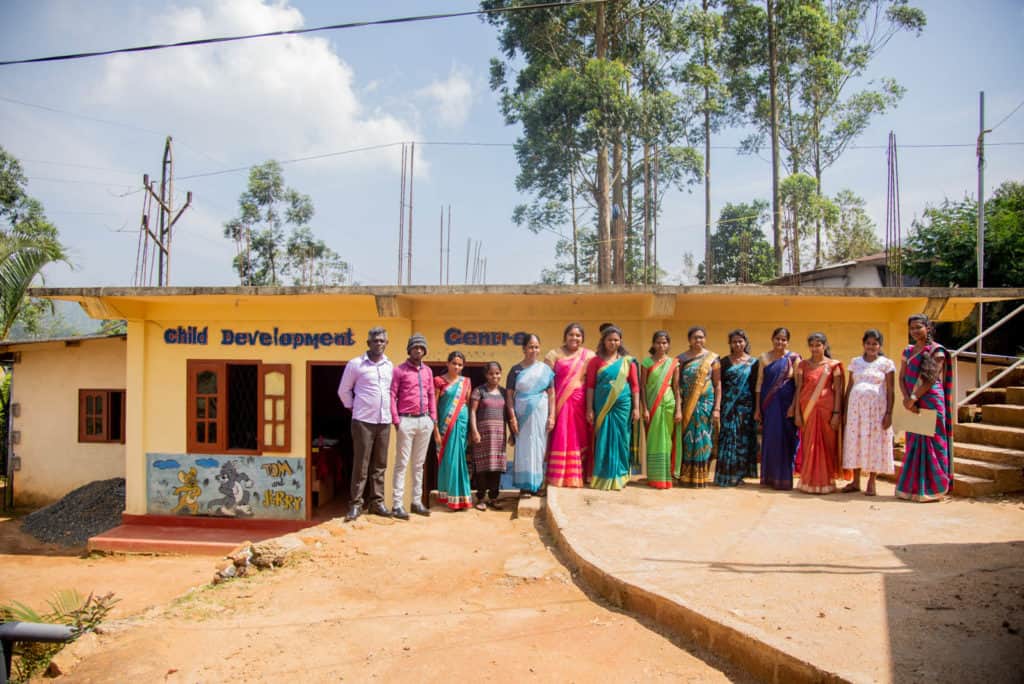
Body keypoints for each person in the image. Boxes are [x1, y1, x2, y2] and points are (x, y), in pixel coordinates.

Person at [337, 327, 394, 522]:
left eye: (382, 341)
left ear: (386, 343)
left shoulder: (389, 365)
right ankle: (355, 505)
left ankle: (377, 503)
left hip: (384, 421)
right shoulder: (356, 364)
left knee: (380, 464)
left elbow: (390, 392)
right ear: (368, 343)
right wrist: (354, 408)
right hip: (363, 421)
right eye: (375, 340)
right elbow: (344, 390)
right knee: (361, 464)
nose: (379, 343)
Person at [896, 314, 953, 502]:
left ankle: (934, 488)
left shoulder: (937, 351)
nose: (914, 331)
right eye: (911, 328)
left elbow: (930, 379)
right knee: (914, 443)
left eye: (918, 327)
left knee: (933, 443)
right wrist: (906, 398)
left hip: (930, 401)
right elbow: (901, 377)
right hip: (911, 401)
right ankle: (912, 489)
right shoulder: (908, 351)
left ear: (928, 328)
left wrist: (912, 398)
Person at [841, 329, 896, 496]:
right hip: (855, 412)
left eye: (875, 344)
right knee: (855, 442)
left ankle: (872, 481)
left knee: (874, 442)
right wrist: (844, 410)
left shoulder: (886, 364)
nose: (871, 346)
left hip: (876, 412)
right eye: (868, 343)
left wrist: (889, 413)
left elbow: (891, 390)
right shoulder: (855, 362)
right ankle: (856, 481)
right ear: (863, 344)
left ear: (880, 346)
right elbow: (850, 386)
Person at [586, 325, 640, 491]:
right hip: (602, 405)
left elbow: (635, 386)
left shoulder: (627, 361)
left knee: (622, 439)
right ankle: (603, 476)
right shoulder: (595, 361)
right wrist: (589, 408)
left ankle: (621, 476)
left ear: (620, 341)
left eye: (616, 340)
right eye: (610, 339)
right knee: (603, 438)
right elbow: (590, 386)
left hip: (623, 405)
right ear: (603, 341)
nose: (613, 342)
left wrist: (637, 408)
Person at [390, 333, 438, 519]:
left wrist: (433, 418)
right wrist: (396, 420)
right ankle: (396, 504)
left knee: (419, 464)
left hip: (424, 420)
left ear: (424, 350)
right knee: (401, 463)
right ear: (409, 350)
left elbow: (432, 395)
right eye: (415, 347)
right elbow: (392, 395)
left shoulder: (427, 371)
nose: (418, 350)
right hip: (406, 420)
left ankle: (416, 502)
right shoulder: (399, 370)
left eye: (421, 347)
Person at [793, 332, 845, 494]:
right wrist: (797, 413)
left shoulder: (833, 366)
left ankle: (826, 482)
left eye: (818, 345)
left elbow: (838, 391)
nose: (815, 348)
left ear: (824, 346)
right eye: (812, 345)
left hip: (827, 411)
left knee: (826, 446)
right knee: (809, 446)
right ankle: (808, 481)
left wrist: (837, 413)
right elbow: (799, 388)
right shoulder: (802, 365)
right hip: (807, 410)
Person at [544, 323, 595, 488]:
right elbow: (546, 381)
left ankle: (576, 475)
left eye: (578, 335)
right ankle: (558, 476)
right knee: (562, 435)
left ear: (582, 338)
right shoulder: (554, 355)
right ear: (565, 336)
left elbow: (592, 382)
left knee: (578, 436)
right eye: (571, 335)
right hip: (559, 402)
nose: (574, 338)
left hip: (580, 402)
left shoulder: (589, 356)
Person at [507, 334, 555, 497]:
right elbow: (509, 396)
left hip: (541, 412)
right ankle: (525, 486)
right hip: (522, 414)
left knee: (539, 445)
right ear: (524, 349)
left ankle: (537, 484)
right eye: (530, 347)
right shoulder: (516, 370)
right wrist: (512, 417)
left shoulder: (545, 370)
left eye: (536, 347)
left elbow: (552, 394)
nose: (533, 350)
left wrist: (552, 416)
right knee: (524, 446)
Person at [755, 327, 801, 490]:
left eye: (783, 339)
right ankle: (769, 478)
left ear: (787, 341)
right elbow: (759, 384)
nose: (780, 342)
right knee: (770, 441)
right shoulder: (764, 358)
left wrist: (794, 407)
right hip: (769, 406)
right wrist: (757, 409)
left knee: (786, 441)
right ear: (772, 339)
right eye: (777, 338)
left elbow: (798, 385)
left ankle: (784, 479)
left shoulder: (794, 358)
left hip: (786, 406)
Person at [675, 326, 720, 488]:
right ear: (689, 340)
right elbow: (677, 386)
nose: (698, 340)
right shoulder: (680, 359)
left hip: (706, 404)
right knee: (687, 440)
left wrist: (716, 408)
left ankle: (702, 477)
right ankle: (686, 476)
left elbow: (717, 384)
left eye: (701, 337)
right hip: (688, 404)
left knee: (704, 438)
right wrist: (679, 408)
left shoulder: (712, 359)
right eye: (695, 337)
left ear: (705, 339)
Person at [715, 329, 759, 487]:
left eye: (740, 341)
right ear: (730, 344)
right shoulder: (724, 361)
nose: (738, 344)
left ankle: (740, 475)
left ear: (745, 343)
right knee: (728, 438)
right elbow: (719, 384)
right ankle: (726, 474)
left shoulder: (754, 363)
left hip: (746, 407)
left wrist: (757, 409)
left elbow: (756, 386)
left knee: (743, 440)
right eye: (734, 342)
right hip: (728, 406)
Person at [433, 351, 473, 511]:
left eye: (460, 364)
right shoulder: (439, 381)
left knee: (460, 459)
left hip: (462, 424)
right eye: (454, 363)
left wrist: (469, 429)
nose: (457, 367)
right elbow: (434, 408)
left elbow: (467, 404)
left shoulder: (466, 382)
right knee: (448, 460)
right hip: (444, 426)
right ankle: (450, 497)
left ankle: (462, 498)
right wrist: (435, 430)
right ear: (447, 363)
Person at [640, 330, 680, 489]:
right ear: (653, 344)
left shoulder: (674, 363)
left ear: (668, 344)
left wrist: (678, 410)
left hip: (669, 404)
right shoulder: (646, 363)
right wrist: (644, 408)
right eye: (658, 342)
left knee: (667, 441)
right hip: (652, 405)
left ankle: (667, 477)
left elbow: (676, 388)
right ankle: (654, 477)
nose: (661, 345)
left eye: (664, 342)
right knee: (653, 441)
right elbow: (643, 387)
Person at [469, 361, 511, 510]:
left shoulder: (504, 392)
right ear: (486, 375)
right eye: (491, 373)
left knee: (496, 468)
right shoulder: (479, 391)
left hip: (499, 436)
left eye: (497, 373)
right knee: (482, 467)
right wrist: (474, 431)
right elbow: (472, 412)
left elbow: (509, 414)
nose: (495, 376)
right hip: (482, 435)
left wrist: (512, 432)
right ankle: (481, 498)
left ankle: (493, 498)